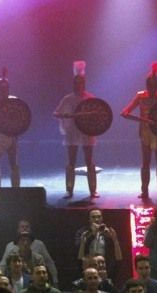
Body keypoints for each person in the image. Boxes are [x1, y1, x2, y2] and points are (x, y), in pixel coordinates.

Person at [121, 62, 157, 201]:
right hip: (145, 133)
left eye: (154, 86)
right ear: (147, 85)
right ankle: (144, 191)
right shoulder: (140, 96)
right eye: (150, 86)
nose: (152, 88)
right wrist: (126, 113)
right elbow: (127, 110)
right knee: (146, 162)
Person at [53, 60, 98, 198]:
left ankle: (93, 190)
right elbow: (56, 112)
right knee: (71, 160)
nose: (78, 86)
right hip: (72, 132)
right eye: (76, 83)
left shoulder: (90, 98)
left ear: (83, 84)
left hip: (86, 131)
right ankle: (69, 189)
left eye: (80, 83)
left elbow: (98, 113)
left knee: (89, 160)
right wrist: (64, 115)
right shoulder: (68, 98)